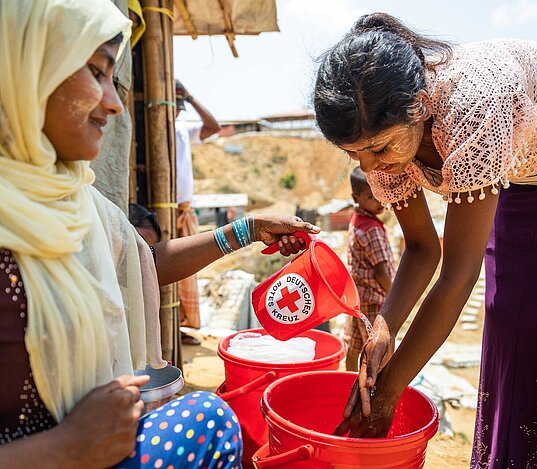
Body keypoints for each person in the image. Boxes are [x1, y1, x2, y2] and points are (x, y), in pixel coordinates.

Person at [0, 1, 319, 467]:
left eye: (114, 78)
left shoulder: (78, 204)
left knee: (208, 416)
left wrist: (248, 230)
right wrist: (63, 449)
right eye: (95, 71)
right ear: (26, 69)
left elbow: (142, 265)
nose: (112, 102)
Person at [315, 12, 537, 467]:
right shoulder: (381, 146)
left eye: (379, 149)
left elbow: (457, 277)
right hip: (527, 164)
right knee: (507, 319)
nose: (372, 168)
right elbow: (423, 249)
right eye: (353, 154)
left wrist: (390, 391)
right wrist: (385, 327)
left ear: (420, 105)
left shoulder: (474, 111)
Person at [175, 79, 221, 343]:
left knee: (184, 271)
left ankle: (179, 327)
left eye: (181, 106)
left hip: (183, 210)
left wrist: (191, 98)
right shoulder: (155, 129)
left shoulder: (182, 130)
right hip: (166, 210)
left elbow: (213, 127)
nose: (179, 111)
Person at [344, 167, 395, 371]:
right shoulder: (372, 229)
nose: (379, 200)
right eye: (370, 196)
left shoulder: (357, 220)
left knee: (355, 346)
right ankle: (370, 394)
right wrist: (395, 297)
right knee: (375, 353)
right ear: (356, 197)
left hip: (357, 298)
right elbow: (380, 271)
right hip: (374, 299)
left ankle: (347, 381)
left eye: (380, 192)